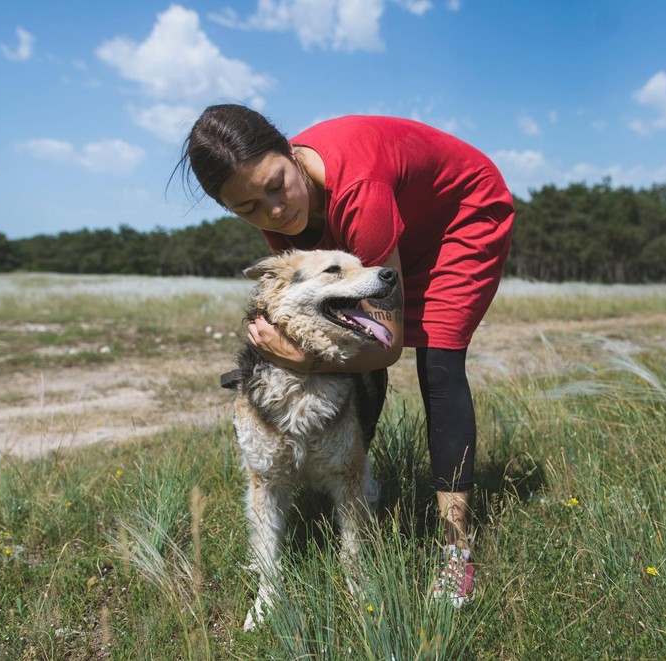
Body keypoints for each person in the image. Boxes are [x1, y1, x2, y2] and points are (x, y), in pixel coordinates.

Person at [176, 103, 515, 606]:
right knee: (342, 329)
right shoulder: (281, 214)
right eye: (247, 208)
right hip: (397, 223)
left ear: (290, 152)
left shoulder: (359, 191)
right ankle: (349, 475)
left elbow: (388, 345)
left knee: (438, 364)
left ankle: (454, 553)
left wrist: (302, 361)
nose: (272, 211)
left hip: (460, 214)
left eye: (276, 185)